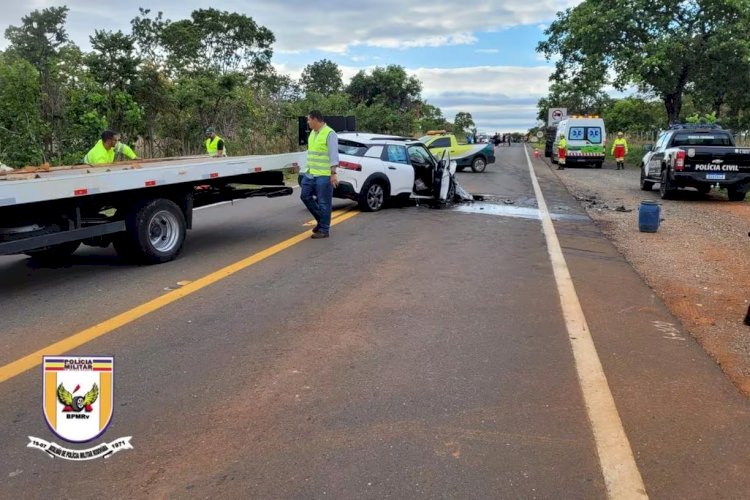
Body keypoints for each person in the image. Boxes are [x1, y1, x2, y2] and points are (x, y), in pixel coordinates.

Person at [301, 110, 338, 239]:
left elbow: (334, 155)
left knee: (324, 203)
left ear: (316, 119)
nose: (307, 122)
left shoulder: (330, 133)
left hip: (323, 174)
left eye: (309, 119)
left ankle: (324, 230)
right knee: (305, 196)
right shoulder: (312, 133)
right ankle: (321, 221)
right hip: (310, 173)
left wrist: (333, 174)